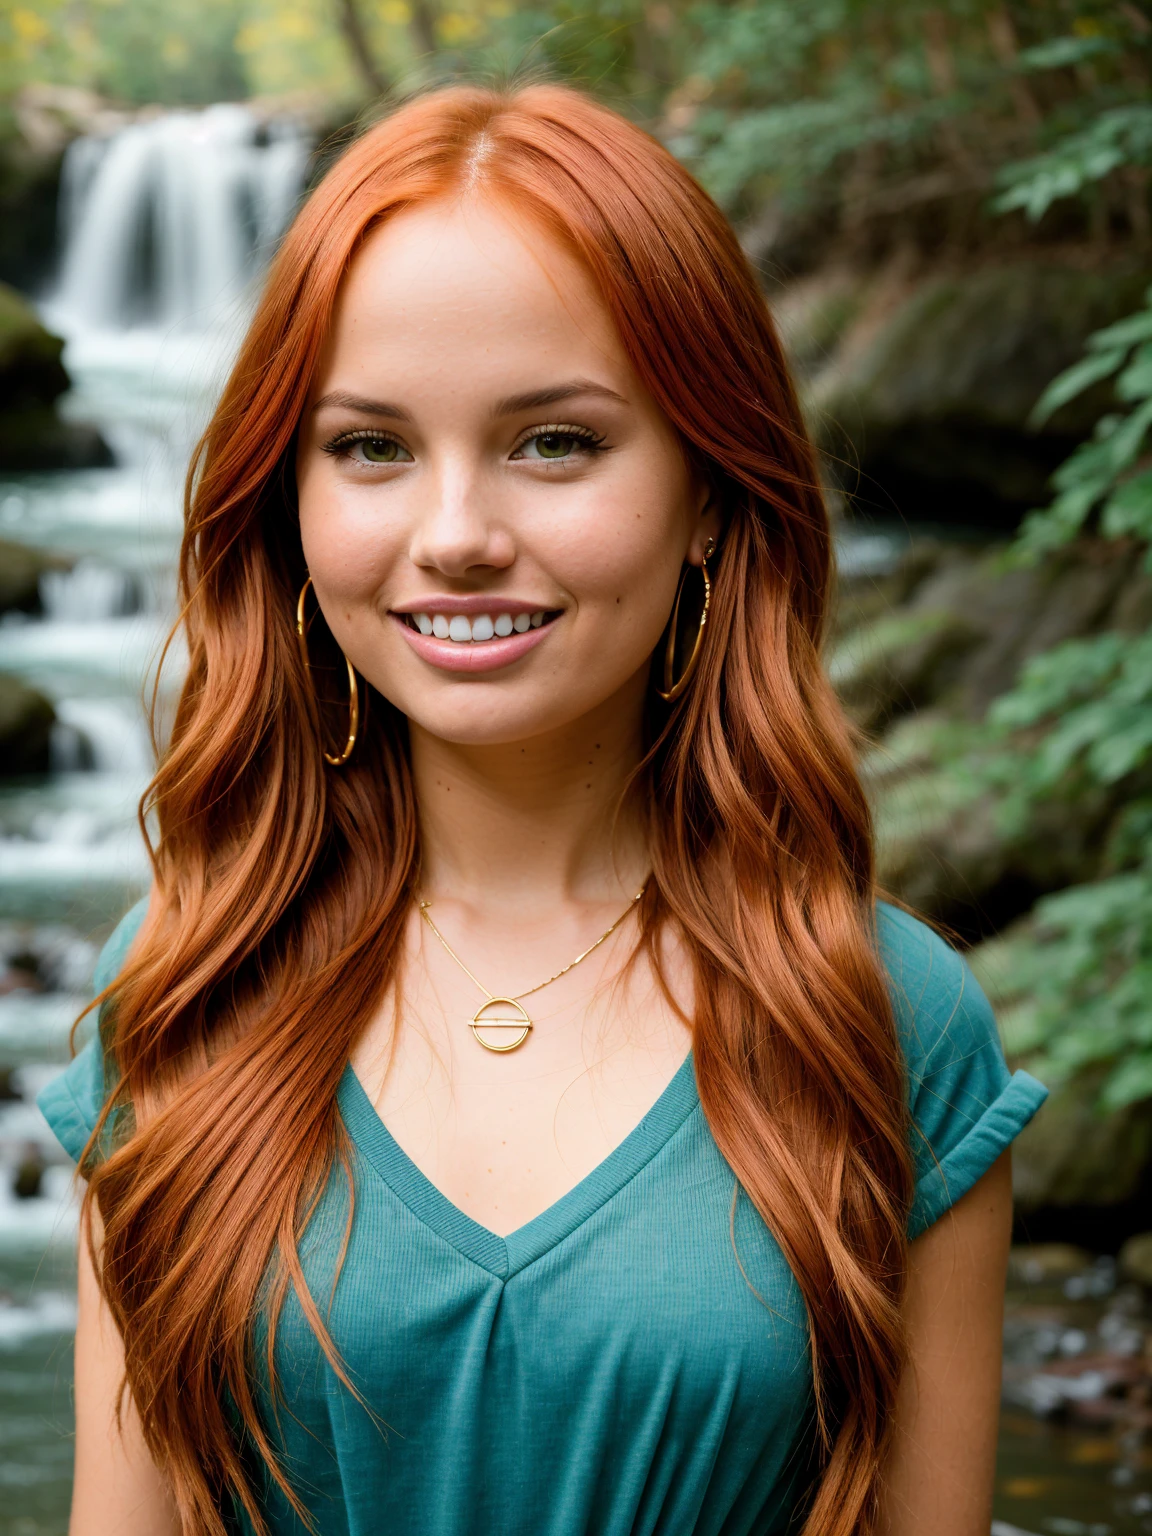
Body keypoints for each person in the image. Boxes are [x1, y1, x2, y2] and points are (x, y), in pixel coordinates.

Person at [40, 83, 1046, 1536]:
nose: (455, 536)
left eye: (555, 443)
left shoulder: (885, 1021)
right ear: (288, 498)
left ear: (712, 489)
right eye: (371, 447)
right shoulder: (190, 983)